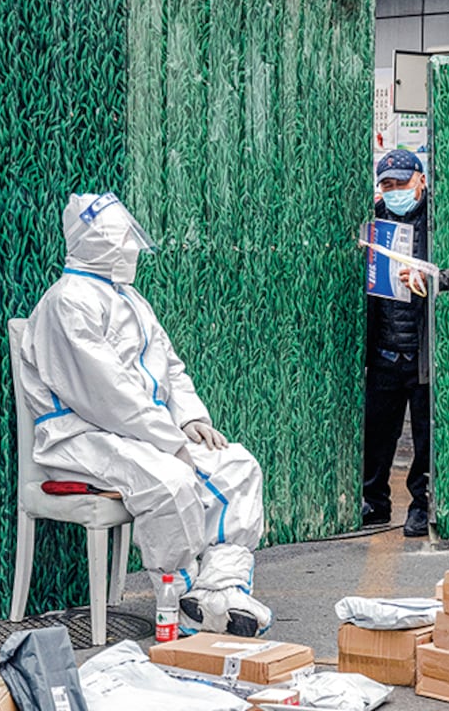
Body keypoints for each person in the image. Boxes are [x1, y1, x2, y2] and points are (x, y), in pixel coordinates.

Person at [20, 193, 271, 636]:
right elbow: (107, 396)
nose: (132, 249)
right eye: (122, 241)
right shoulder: (66, 302)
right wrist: (171, 442)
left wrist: (191, 418)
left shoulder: (130, 299)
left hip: (141, 431)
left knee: (239, 466)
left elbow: (170, 366)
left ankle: (223, 588)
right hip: (80, 437)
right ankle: (181, 597)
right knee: (169, 482)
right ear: (96, 245)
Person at [362, 149, 449, 537]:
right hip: (383, 349)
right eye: (388, 184)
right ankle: (374, 503)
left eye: (402, 182)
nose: (395, 190)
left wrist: (431, 281)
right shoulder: (374, 221)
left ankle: (421, 504)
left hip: (421, 352)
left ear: (422, 180)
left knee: (424, 436)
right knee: (377, 435)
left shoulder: (439, 221)